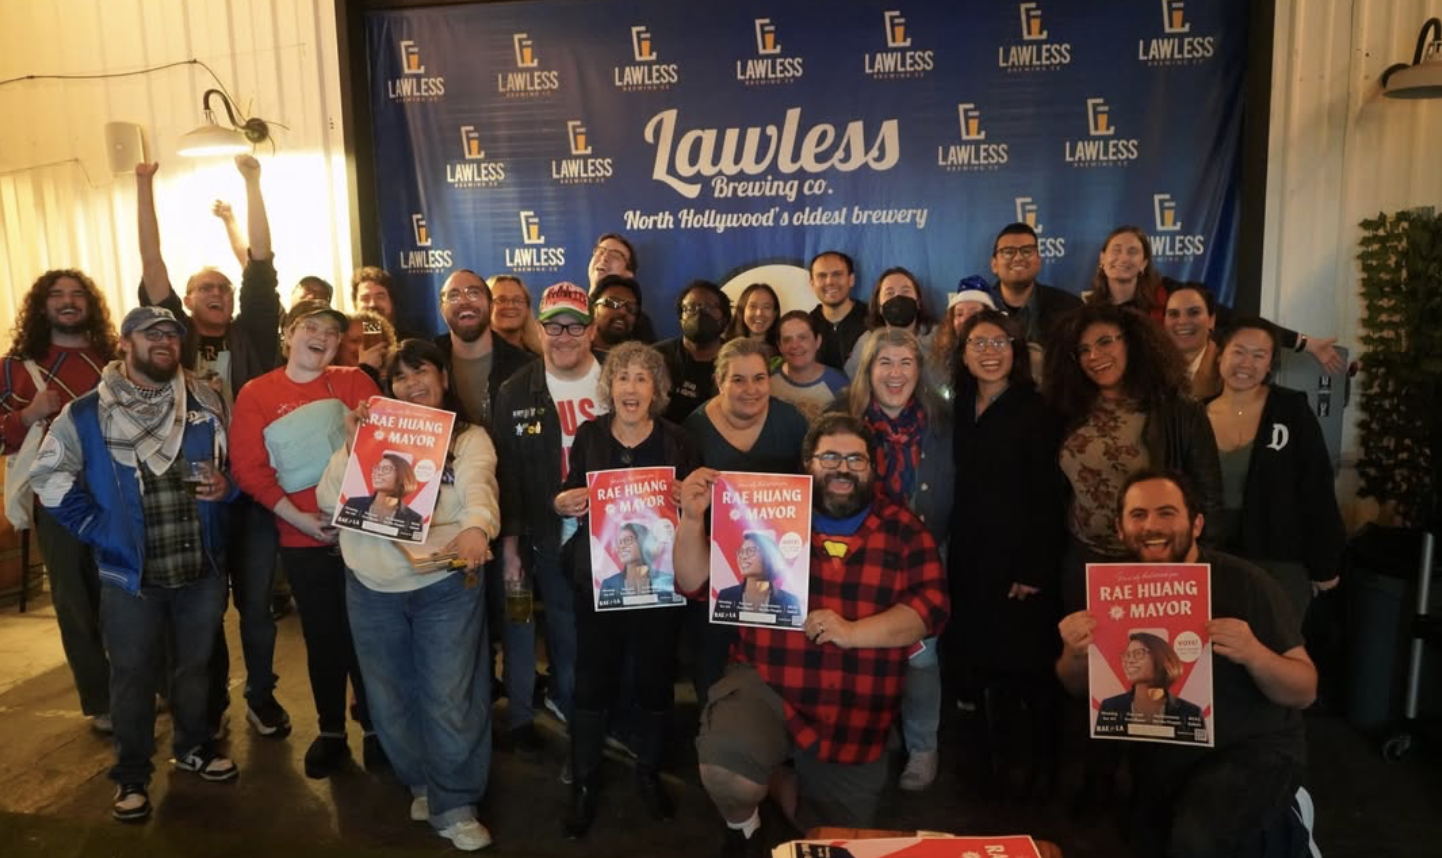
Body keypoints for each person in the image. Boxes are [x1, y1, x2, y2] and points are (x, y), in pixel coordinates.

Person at [675, 414, 949, 853]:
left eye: (855, 459)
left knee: (832, 837)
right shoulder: (765, 513)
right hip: (768, 679)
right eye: (830, 457)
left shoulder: (902, 529)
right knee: (727, 771)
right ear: (807, 463)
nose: (843, 468)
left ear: (872, 467)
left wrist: (853, 632)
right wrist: (691, 520)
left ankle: (782, 784)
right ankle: (742, 825)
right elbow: (693, 582)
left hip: (854, 707)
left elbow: (931, 609)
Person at [30, 307, 239, 822]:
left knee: (194, 669)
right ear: (125, 344)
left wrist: (226, 489)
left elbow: (230, 471)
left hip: (200, 566)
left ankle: (193, 747)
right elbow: (48, 476)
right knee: (132, 675)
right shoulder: (86, 413)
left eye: (172, 333)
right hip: (129, 574)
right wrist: (97, 529)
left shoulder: (205, 400)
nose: (165, 341)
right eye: (152, 334)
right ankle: (131, 775)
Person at [1057, 470, 1316, 857]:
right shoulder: (1111, 591)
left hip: (1254, 749)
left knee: (1198, 838)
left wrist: (1254, 653)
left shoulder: (1245, 582)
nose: (1151, 527)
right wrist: (1074, 652)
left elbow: (1305, 689)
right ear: (1120, 527)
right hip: (1165, 755)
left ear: (1196, 524)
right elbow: (1073, 684)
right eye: (1138, 515)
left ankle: (1293, 823)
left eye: (1166, 513)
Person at [316, 339, 499, 852]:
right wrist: (354, 446)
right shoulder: (370, 438)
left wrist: (478, 529)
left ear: (443, 379)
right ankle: (423, 783)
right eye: (400, 377)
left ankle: (456, 803)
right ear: (388, 387)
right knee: (390, 698)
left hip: (446, 585)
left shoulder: (469, 439)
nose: (412, 384)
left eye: (422, 373)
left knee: (449, 696)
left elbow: (480, 488)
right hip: (371, 587)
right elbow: (329, 501)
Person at [136, 157, 288, 741]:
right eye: (206, 288)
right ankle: (211, 701)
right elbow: (153, 264)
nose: (218, 292)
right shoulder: (174, 337)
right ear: (188, 302)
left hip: (250, 491)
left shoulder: (253, 333)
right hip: (191, 496)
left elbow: (261, 263)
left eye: (222, 286)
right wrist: (143, 185)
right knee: (201, 609)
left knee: (256, 607)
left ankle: (261, 695)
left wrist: (252, 182)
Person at [551, 340, 699, 838]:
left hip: (659, 587)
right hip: (600, 581)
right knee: (591, 681)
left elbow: (698, 513)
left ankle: (648, 773)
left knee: (655, 681)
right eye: (622, 376)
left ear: (656, 389)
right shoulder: (590, 435)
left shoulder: (678, 441)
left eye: (642, 377)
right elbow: (569, 491)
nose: (631, 387)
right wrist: (563, 501)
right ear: (609, 386)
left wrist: (688, 500)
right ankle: (586, 784)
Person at [230, 299, 382, 778]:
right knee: (323, 637)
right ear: (289, 334)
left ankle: (379, 729)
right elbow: (250, 470)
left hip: (366, 534)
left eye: (332, 332)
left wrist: (361, 516)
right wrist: (299, 519)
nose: (321, 337)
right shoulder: (257, 394)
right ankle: (332, 731)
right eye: (310, 327)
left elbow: (385, 449)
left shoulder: (356, 382)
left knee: (372, 637)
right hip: (302, 537)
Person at [948, 309, 1065, 802]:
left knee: (1028, 670)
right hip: (970, 558)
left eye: (1000, 343)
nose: (990, 352)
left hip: (1021, 563)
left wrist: (1033, 568)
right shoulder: (956, 408)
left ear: (1016, 352)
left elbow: (1050, 495)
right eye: (979, 343)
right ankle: (985, 770)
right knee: (977, 663)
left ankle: (1039, 771)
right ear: (963, 353)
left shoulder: (1037, 410)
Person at [1044, 303, 1224, 611]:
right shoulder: (1067, 408)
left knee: (1152, 655)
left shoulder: (1179, 410)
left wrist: (1192, 568)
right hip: (1084, 559)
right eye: (1083, 350)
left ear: (1132, 341)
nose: (1094, 356)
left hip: (1155, 560)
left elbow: (1207, 496)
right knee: (1090, 656)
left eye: (1105, 342)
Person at [836, 328, 954, 792]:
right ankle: (877, 737)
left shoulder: (942, 419)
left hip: (925, 551)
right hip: (860, 554)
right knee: (865, 645)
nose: (896, 373)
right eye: (885, 362)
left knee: (922, 657)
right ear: (868, 369)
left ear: (919, 370)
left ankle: (923, 746)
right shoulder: (840, 415)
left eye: (906, 362)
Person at [1, 269, 119, 733]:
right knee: (76, 601)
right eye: (57, 295)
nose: (68, 302)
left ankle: (147, 685)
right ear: (41, 306)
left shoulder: (114, 359)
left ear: (90, 304)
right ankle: (103, 700)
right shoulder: (15, 367)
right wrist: (29, 414)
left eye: (77, 294)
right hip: (58, 499)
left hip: (120, 493)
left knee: (131, 593)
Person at [493, 282, 606, 755]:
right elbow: (509, 472)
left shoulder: (619, 378)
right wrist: (512, 546)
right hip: (547, 537)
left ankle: (605, 718)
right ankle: (574, 729)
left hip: (615, 536)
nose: (563, 336)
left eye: (574, 326)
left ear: (591, 329)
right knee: (562, 633)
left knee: (608, 638)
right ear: (538, 329)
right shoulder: (516, 389)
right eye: (553, 325)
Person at [683, 337, 809, 706]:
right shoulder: (693, 428)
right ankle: (711, 735)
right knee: (711, 659)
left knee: (776, 661)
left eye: (759, 378)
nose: (750, 389)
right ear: (720, 381)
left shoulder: (791, 421)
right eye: (738, 380)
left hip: (780, 567)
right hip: (712, 567)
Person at [1206, 319, 1344, 621]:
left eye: (1259, 355)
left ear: (1270, 364)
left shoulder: (1291, 409)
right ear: (1220, 355)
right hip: (1210, 558)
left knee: (1275, 655)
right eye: (1239, 352)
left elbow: (1316, 487)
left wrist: (1324, 563)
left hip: (1279, 556)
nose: (1247, 363)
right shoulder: (1194, 415)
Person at [1085, 226, 1343, 373]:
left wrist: (1305, 343)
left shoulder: (1171, 295)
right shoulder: (1090, 309)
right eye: (1116, 250)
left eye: (1133, 252)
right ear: (1102, 259)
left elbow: (1238, 322)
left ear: (1143, 263)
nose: (1123, 258)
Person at [433, 269, 535, 431]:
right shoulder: (428, 359)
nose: (464, 301)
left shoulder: (526, 367)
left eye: (474, 293)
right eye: (453, 296)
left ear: (490, 305)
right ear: (442, 310)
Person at [990, 222, 1082, 381]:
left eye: (1027, 251)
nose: (1018, 257)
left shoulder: (1071, 308)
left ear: (1039, 261)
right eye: (1008, 252)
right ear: (994, 264)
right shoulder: (978, 309)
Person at [843, 266, 940, 384]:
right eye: (889, 293)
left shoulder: (939, 338)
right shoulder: (866, 344)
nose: (898, 297)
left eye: (906, 291)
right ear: (879, 307)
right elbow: (855, 386)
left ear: (918, 302)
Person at [655, 280, 732, 424]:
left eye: (709, 307)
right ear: (680, 318)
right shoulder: (656, 357)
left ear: (725, 318)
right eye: (690, 307)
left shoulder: (736, 361)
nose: (700, 313)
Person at [1095, 632, 1203, 734]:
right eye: (1127, 655)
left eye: (1138, 653)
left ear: (1161, 657)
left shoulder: (1191, 712)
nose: (1130, 661)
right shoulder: (1109, 706)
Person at [769, 311, 848, 425]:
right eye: (787, 340)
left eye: (802, 337)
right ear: (780, 347)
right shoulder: (768, 383)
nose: (795, 345)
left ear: (818, 341)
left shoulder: (840, 385)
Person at [711, 531, 803, 627]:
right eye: (741, 552)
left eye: (750, 551)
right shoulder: (726, 596)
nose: (743, 556)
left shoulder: (790, 601)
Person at [927, 276, 997, 397]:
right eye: (959, 314)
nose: (965, 319)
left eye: (974, 313)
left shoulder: (1000, 355)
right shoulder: (941, 357)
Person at [588, 232, 657, 343]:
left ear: (628, 273)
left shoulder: (638, 323)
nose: (604, 258)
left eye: (615, 255)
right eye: (600, 252)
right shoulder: (571, 307)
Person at [336, 452, 423, 536]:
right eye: (377, 468)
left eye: (386, 469)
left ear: (402, 475)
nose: (378, 473)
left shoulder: (414, 519)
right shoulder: (353, 504)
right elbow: (340, 535)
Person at [808, 250, 868, 371]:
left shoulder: (873, 320)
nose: (830, 282)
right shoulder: (806, 326)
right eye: (822, 276)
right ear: (812, 283)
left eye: (837, 274)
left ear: (851, 279)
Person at [1163, 284, 1221, 400]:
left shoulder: (1226, 369)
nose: (1182, 321)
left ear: (1211, 320)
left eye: (1194, 312)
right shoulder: (1149, 366)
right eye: (1173, 314)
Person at [597, 522, 674, 606]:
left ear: (644, 542)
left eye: (627, 540)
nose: (621, 546)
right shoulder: (609, 585)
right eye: (619, 542)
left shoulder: (667, 581)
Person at [353, 266, 425, 342]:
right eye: (365, 298)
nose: (372, 304)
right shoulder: (344, 345)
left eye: (380, 297)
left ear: (392, 301)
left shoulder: (414, 342)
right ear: (355, 303)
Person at [724, 282, 782, 366]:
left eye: (766, 307)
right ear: (743, 310)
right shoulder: (725, 349)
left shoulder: (784, 351)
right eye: (753, 306)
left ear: (775, 313)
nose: (759, 313)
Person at [334, 309, 395, 387]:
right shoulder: (327, 379)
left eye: (369, 341)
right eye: (355, 341)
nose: (363, 348)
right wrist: (367, 369)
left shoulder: (393, 379)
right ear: (338, 345)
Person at [488, 274, 543, 356]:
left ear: (527, 307)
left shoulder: (540, 356)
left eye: (518, 300)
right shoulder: (474, 356)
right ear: (486, 306)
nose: (510, 306)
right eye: (501, 300)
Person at [591, 274, 644, 354]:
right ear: (594, 309)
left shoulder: (640, 362)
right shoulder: (572, 354)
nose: (623, 311)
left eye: (631, 307)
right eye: (613, 303)